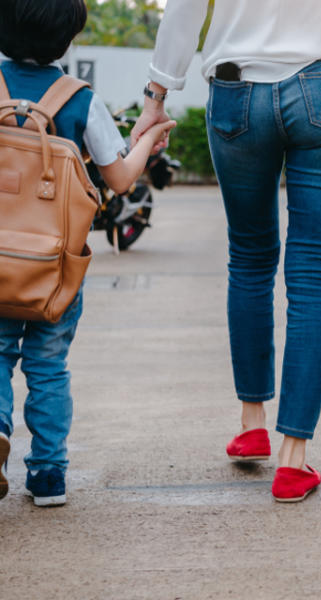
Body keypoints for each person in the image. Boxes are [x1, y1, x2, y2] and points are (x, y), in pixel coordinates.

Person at [132, 0, 321, 503]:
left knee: (249, 259)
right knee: (313, 274)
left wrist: (156, 96)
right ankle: (292, 460)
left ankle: (251, 424)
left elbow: (184, 9)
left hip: (237, 89)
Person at [0, 0, 175, 506]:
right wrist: (149, 139)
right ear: (67, 39)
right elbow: (119, 179)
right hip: (54, 268)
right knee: (48, 367)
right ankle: (48, 474)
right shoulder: (79, 100)